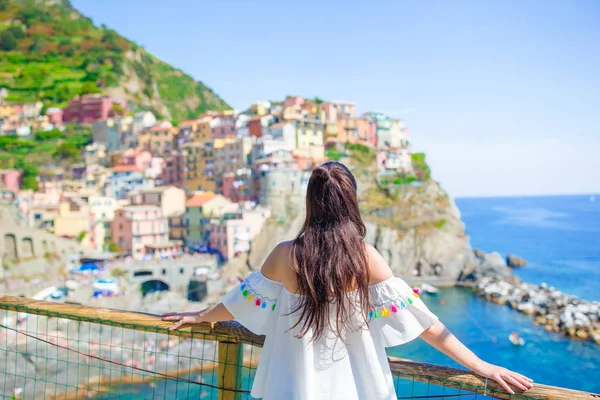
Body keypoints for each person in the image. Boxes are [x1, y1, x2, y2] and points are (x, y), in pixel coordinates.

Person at [163, 162, 533, 399]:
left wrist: (201, 316)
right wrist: (482, 367)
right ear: (350, 202)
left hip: (293, 388)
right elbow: (424, 324)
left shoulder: (284, 254)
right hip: (355, 389)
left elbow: (239, 301)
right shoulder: (364, 257)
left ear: (312, 202)